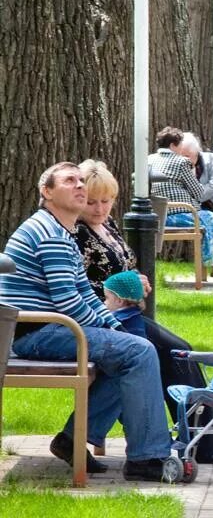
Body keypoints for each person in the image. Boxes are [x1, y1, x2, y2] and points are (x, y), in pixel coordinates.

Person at [0, 163, 173, 480]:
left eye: (81, 180)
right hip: (36, 332)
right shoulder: (49, 234)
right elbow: (68, 303)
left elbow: (86, 296)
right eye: (69, 181)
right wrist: (115, 331)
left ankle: (73, 440)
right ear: (47, 192)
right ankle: (147, 458)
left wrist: (115, 328)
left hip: (50, 328)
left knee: (131, 354)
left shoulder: (62, 233)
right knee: (140, 353)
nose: (80, 186)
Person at [73, 160, 213, 465]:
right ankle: (202, 438)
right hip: (105, 317)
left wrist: (137, 282)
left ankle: (204, 434)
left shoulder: (107, 224)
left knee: (180, 351)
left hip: (126, 314)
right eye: (91, 202)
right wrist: (121, 290)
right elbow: (81, 288)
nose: (99, 208)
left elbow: (123, 265)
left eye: (106, 201)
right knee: (173, 352)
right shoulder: (77, 233)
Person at [149, 128, 213, 280]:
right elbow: (198, 192)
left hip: (161, 213)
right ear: (173, 144)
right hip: (183, 213)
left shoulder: (150, 159)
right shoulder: (181, 162)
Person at [102, 271, 147, 338]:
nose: (104, 302)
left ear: (119, 301)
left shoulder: (119, 321)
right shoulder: (134, 315)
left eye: (106, 298)